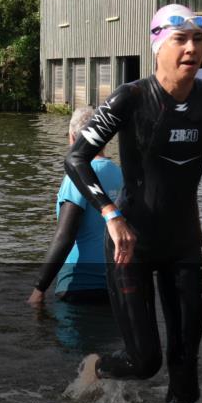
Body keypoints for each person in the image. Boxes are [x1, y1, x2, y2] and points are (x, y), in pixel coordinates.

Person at [64, 3, 202, 403]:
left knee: (186, 366)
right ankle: (97, 367)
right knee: (144, 361)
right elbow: (76, 157)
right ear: (157, 46)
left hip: (185, 244)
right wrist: (111, 214)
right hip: (131, 246)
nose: (192, 48)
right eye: (181, 39)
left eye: (199, 39)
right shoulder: (130, 99)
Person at [29, 107, 123, 307]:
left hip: (78, 285)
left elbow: (65, 236)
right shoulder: (121, 175)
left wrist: (39, 289)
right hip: (116, 286)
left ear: (73, 137)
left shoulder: (76, 178)